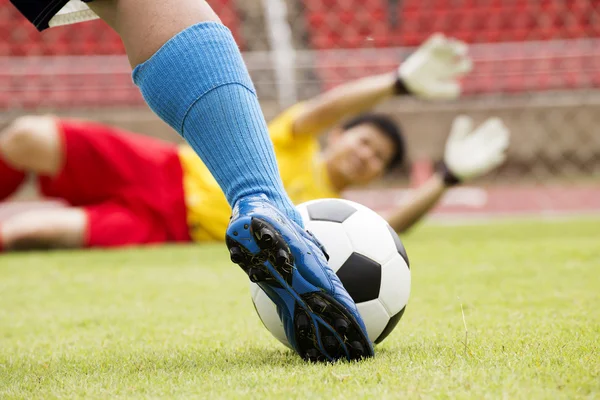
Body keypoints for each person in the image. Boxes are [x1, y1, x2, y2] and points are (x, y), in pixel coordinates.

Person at [5, 0, 472, 362]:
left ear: (374, 175)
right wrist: (396, 84)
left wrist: (447, 178)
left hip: (171, 227)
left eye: (377, 159)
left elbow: (393, 227)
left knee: (30, 234)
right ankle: (262, 201)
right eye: (365, 141)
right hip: (164, 170)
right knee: (27, 138)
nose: (365, 155)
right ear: (341, 135)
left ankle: (264, 212)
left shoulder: (335, 214)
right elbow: (325, 107)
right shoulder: (298, 141)